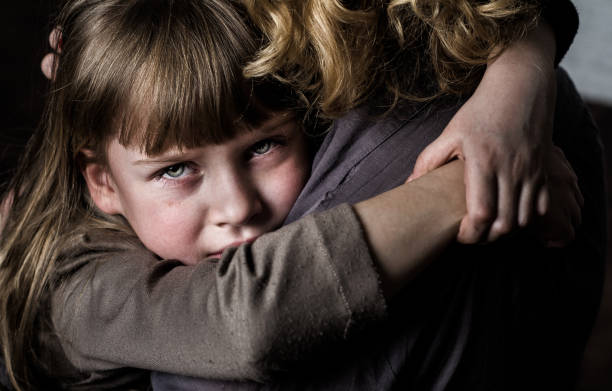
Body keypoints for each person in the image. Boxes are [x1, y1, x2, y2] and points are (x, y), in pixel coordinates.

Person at [0, 1, 595, 391]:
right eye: (176, 170)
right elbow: (247, 319)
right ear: (101, 181)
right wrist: (464, 186)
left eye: (262, 149)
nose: (239, 208)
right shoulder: (72, 285)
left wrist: (519, 73)